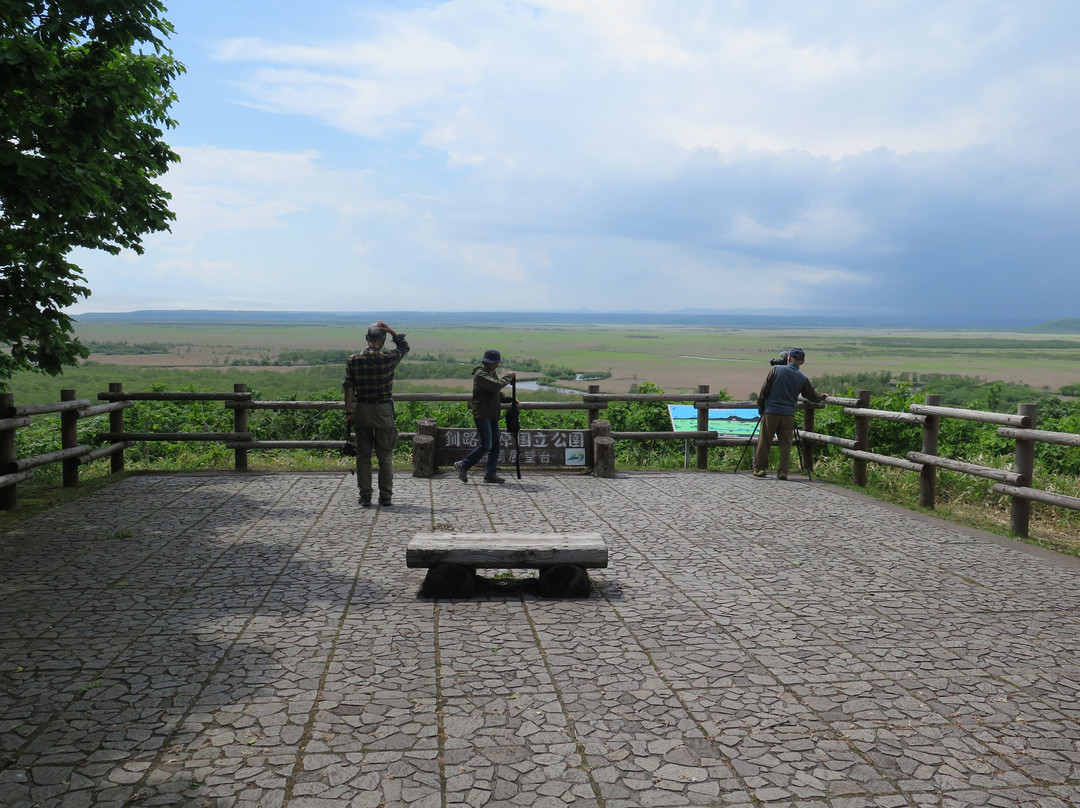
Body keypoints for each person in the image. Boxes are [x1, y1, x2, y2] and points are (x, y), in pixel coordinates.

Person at [343, 320, 409, 507]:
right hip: (383, 410)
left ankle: (365, 495)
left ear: (366, 338)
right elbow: (404, 347)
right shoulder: (388, 358)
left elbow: (348, 388)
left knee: (363, 456)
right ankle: (386, 495)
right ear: (383, 340)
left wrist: (348, 412)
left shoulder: (353, 360)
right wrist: (392, 331)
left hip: (362, 409)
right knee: (385, 455)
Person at [753, 347, 827, 480]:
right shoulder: (802, 378)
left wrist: (761, 407)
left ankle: (760, 468)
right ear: (802, 362)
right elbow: (812, 396)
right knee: (786, 444)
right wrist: (822, 396)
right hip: (788, 414)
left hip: (771, 412)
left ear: (789, 358)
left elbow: (764, 390)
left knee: (764, 441)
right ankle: (783, 471)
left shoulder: (776, 370)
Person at [454, 349, 516, 484]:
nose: (497, 365)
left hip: (492, 413)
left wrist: (511, 399)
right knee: (486, 444)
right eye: (495, 363)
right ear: (487, 363)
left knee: (495, 446)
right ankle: (463, 465)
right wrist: (508, 377)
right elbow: (496, 386)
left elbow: (497, 394)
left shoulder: (491, 373)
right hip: (482, 413)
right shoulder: (481, 374)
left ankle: (490, 474)